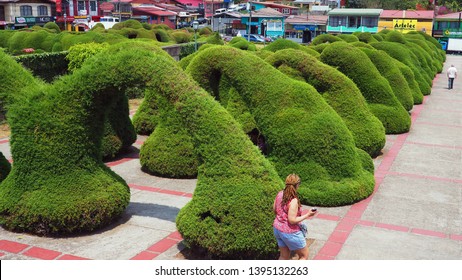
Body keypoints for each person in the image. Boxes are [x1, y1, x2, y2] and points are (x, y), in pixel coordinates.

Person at [273, 174, 317, 260]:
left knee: (283, 256)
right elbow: (292, 220)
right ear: (297, 185)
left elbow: (275, 209)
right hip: (290, 232)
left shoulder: (280, 194)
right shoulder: (293, 200)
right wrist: (308, 215)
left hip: (277, 229)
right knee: (304, 256)